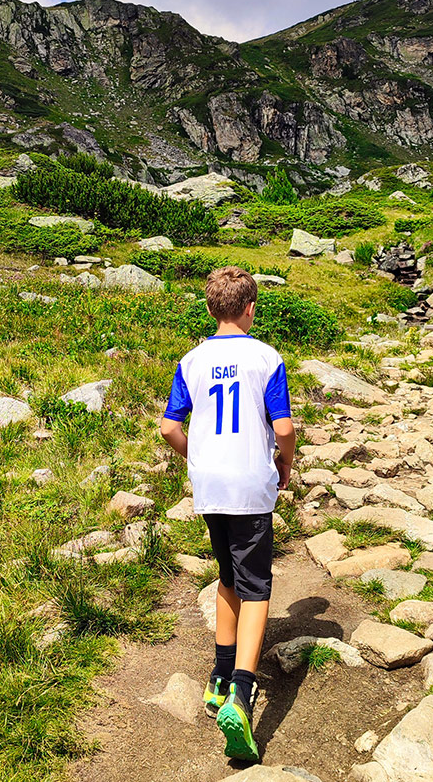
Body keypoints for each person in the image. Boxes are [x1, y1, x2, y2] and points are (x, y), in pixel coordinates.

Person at [160, 266, 295, 762]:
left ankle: (217, 675)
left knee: (227, 576)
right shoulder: (266, 358)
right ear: (250, 308)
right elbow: (281, 428)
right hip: (249, 486)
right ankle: (241, 690)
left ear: (212, 308)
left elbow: (169, 427)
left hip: (210, 484)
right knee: (258, 584)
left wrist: (196, 458)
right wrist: (285, 464)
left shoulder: (191, 359)